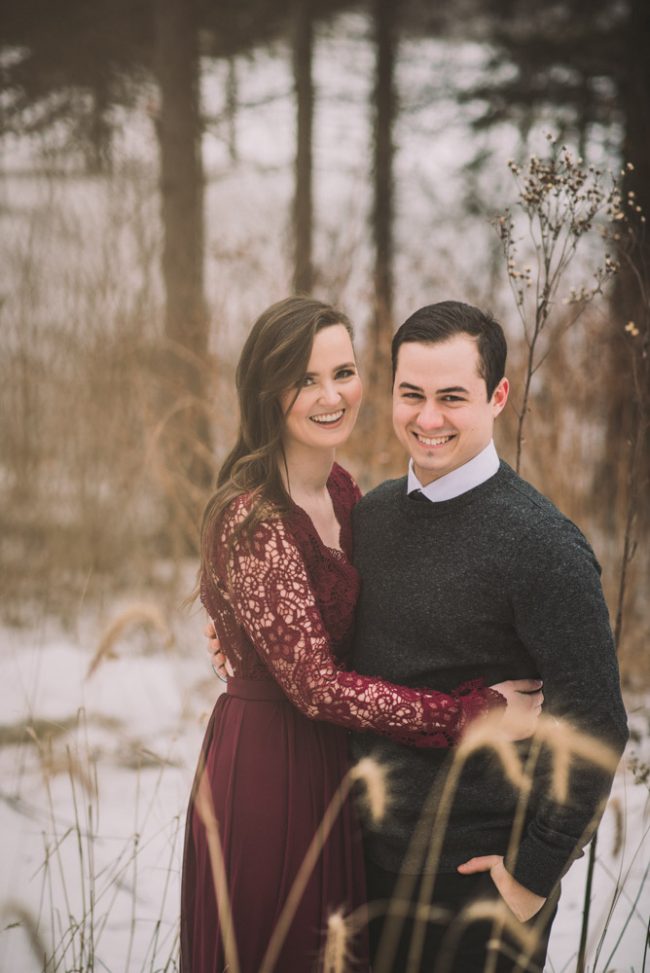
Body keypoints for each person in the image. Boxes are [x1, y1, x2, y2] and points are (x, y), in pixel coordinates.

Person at [182, 296, 543, 973]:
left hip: (338, 766)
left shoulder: (347, 492)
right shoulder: (254, 517)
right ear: (267, 388)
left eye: (343, 372)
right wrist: (478, 712)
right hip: (270, 767)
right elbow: (314, 686)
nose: (331, 395)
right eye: (305, 378)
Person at [349, 301, 629, 972]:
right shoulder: (371, 517)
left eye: (452, 397)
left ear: (498, 395)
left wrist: (533, 873)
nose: (428, 418)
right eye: (411, 394)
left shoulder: (542, 546)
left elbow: (596, 722)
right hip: (362, 866)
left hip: (477, 882)